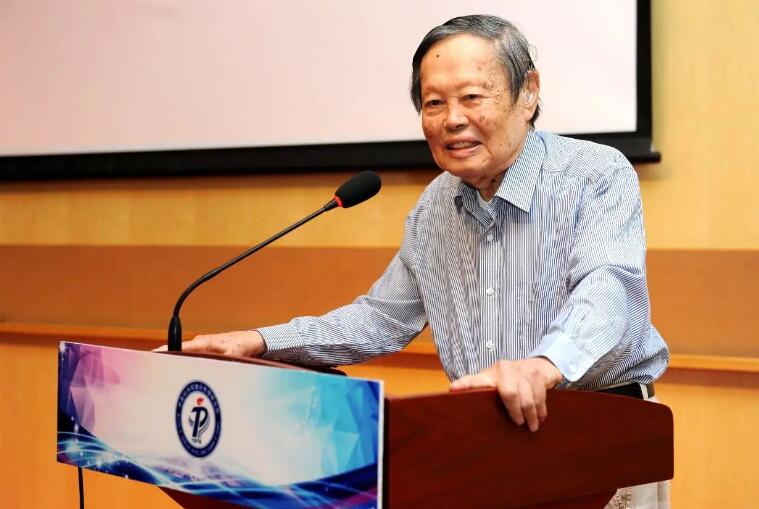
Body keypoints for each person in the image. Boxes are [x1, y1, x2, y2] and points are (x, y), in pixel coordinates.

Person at [166, 15, 669, 508]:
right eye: (434, 103)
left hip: (598, 440)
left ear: (529, 92)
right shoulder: (435, 207)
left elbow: (608, 289)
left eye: (472, 97)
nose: (452, 119)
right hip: (485, 448)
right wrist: (259, 342)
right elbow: (380, 319)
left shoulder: (594, 174)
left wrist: (543, 366)